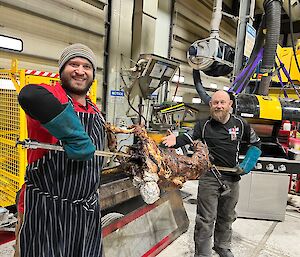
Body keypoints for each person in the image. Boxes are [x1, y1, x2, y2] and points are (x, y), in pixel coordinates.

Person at [15, 43, 106, 257]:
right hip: (48, 210)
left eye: (87, 66)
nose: (80, 71)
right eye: (73, 64)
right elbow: (29, 94)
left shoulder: (95, 109)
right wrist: (73, 135)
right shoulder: (53, 95)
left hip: (86, 210)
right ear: (62, 69)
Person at [162, 90, 261, 257]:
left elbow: (256, 144)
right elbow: (188, 136)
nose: (219, 106)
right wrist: (176, 140)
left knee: (227, 216)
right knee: (205, 219)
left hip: (232, 178)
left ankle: (222, 246)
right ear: (210, 105)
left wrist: (247, 165)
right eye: (215, 103)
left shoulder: (241, 124)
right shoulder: (203, 125)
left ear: (230, 105)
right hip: (210, 177)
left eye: (223, 102)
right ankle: (202, 253)